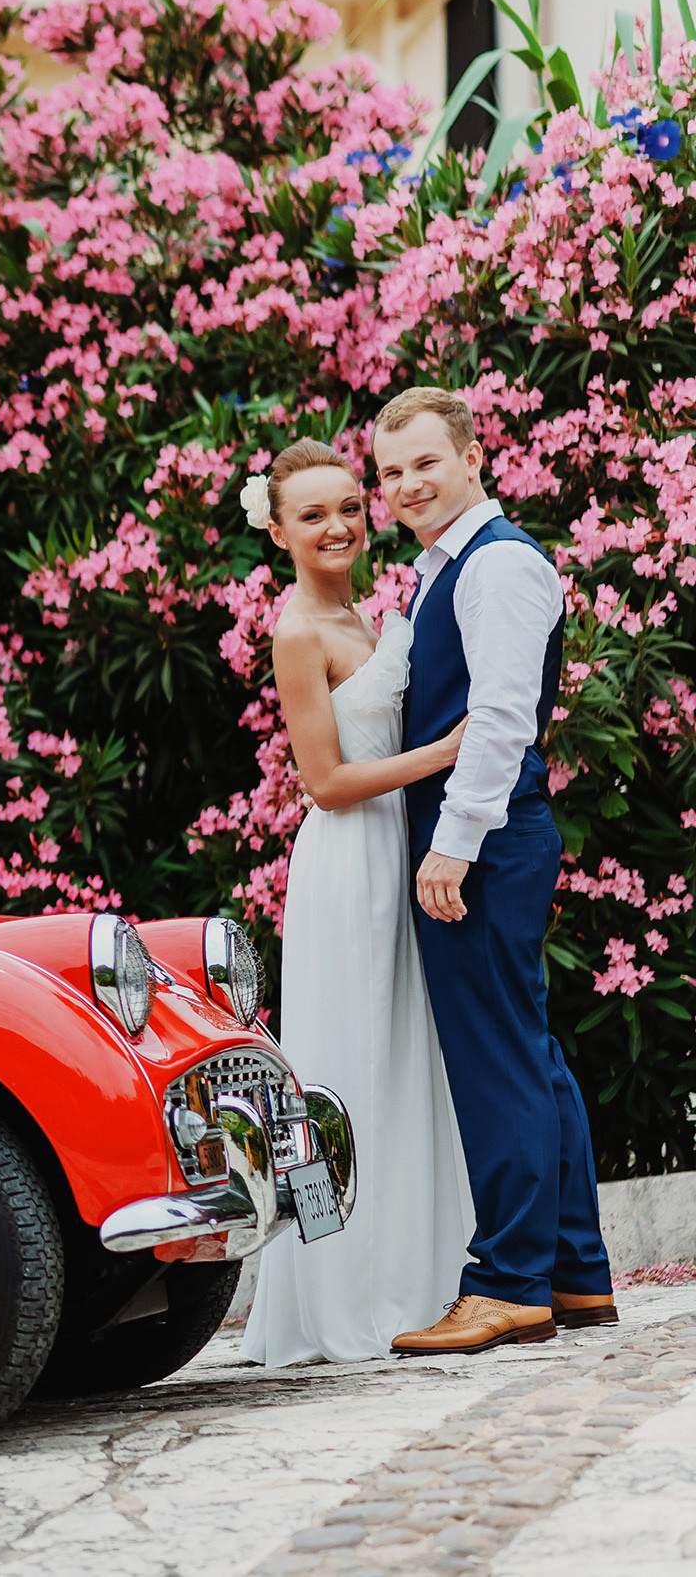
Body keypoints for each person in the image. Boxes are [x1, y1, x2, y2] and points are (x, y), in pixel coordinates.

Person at [371, 387, 616, 1355]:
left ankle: (510, 1281)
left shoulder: (498, 565)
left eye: (424, 462)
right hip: (490, 833)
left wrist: (454, 841)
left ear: (475, 454)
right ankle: (575, 1272)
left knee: (496, 1056)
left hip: (485, 834)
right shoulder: (449, 568)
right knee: (529, 1047)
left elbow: (504, 719)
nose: (407, 486)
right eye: (390, 472)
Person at [238, 438, 478, 1367]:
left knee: (406, 1056)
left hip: (398, 848)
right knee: (351, 1062)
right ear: (278, 530)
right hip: (349, 861)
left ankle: (419, 1277)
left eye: (348, 506)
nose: (338, 525)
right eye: (313, 514)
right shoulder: (297, 629)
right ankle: (349, 1295)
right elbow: (326, 781)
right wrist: (447, 753)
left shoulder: (368, 616)